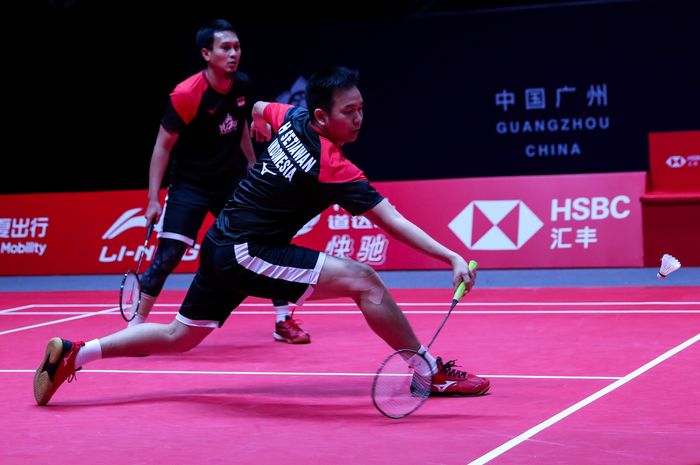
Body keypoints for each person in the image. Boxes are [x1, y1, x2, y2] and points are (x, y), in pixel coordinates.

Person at [33, 66, 490, 406]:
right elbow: (391, 221)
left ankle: (78, 352)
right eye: (348, 112)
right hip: (245, 250)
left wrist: (258, 126)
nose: (358, 119)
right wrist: (450, 256)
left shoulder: (290, 117)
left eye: (362, 109)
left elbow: (256, 108)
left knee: (179, 336)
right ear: (321, 116)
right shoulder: (332, 164)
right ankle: (427, 371)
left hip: (221, 243)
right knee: (364, 279)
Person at [131, 19, 309, 344]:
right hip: (190, 186)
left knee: (264, 244)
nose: (233, 53)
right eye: (225, 48)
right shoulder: (186, 95)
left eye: (237, 47)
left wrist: (253, 165)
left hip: (229, 182)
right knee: (169, 254)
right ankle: (135, 327)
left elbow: (240, 123)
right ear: (206, 53)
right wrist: (153, 199)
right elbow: (162, 146)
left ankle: (283, 320)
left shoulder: (240, 85)